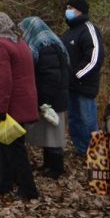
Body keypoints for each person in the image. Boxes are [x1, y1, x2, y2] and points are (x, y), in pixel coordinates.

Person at [0, 12, 39, 200]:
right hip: (24, 102)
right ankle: (3, 185)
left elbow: (1, 81)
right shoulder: (19, 42)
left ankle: (28, 190)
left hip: (10, 105)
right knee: (6, 146)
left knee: (14, 149)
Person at [18, 16, 70, 179]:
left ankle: (56, 168)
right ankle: (49, 164)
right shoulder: (50, 43)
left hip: (52, 99)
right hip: (54, 97)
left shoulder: (45, 47)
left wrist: (44, 100)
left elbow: (51, 77)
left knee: (53, 135)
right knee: (48, 134)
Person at [62, 0, 104, 155]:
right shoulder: (68, 33)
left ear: (80, 10)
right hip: (70, 86)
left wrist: (77, 75)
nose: (68, 11)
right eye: (67, 8)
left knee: (89, 122)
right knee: (74, 121)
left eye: (71, 8)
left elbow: (95, 58)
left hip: (85, 86)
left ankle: (97, 155)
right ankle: (81, 150)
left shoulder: (89, 29)